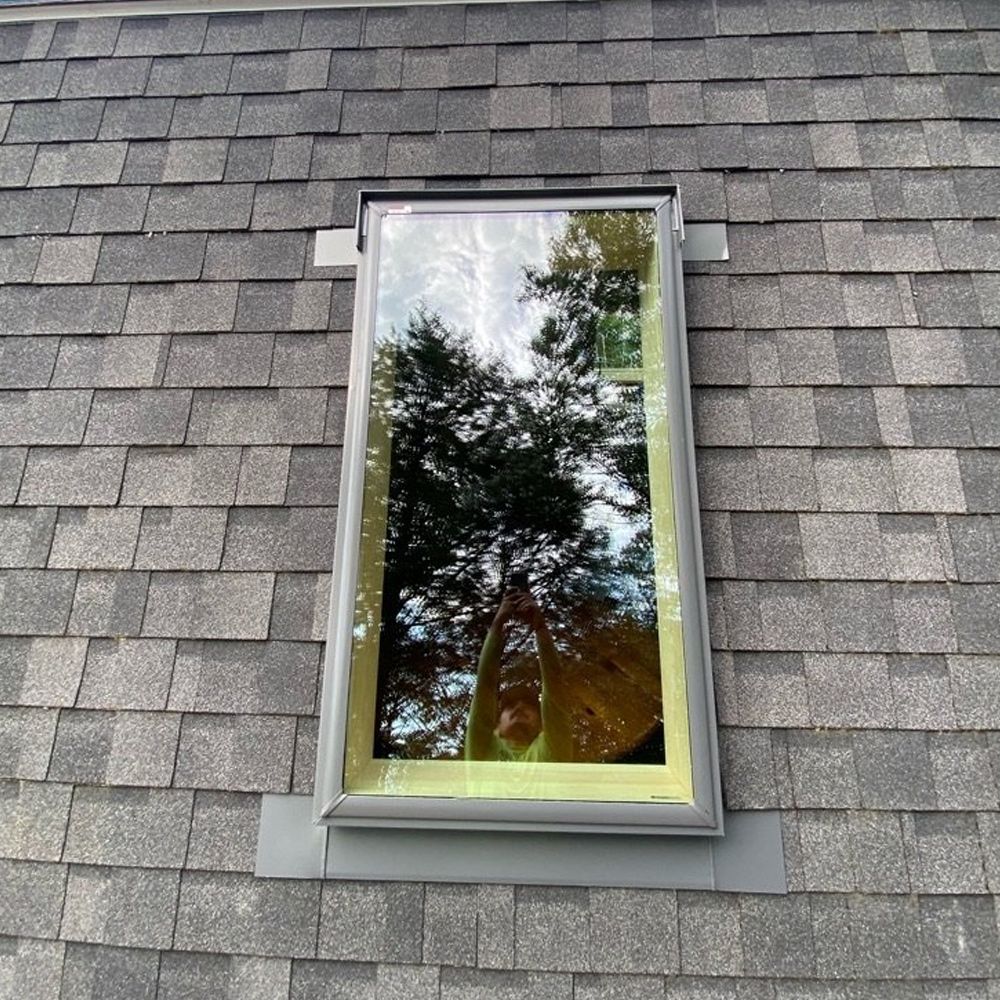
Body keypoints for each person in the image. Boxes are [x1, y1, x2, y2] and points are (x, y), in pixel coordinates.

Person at [463, 586, 574, 763]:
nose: (520, 706)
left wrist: (540, 627)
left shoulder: (553, 753)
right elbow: (485, 686)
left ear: (542, 727)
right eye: (508, 706)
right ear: (496, 727)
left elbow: (554, 689)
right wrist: (498, 623)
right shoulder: (481, 754)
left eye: (530, 705)